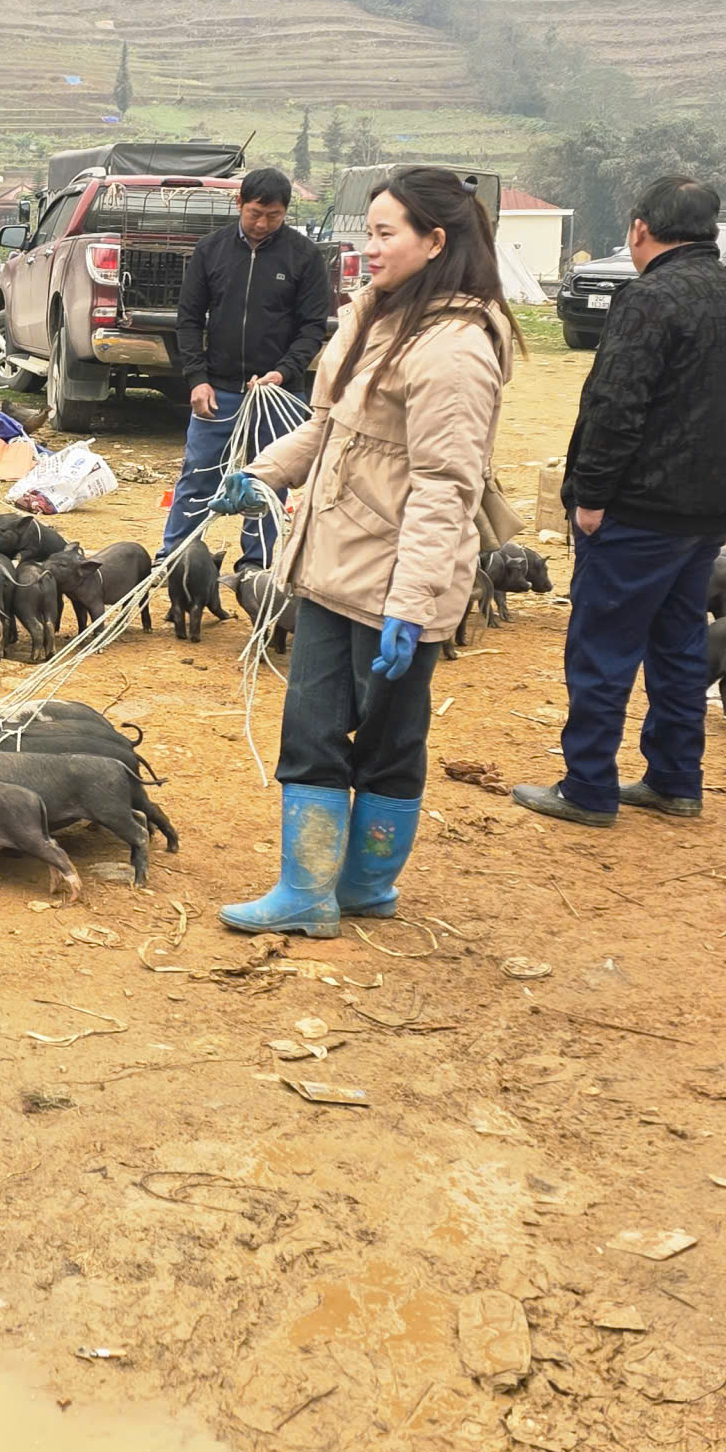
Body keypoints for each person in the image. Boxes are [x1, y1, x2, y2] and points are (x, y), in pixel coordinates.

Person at [208, 167, 520, 936]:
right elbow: (330, 426)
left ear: (435, 241)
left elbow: (446, 486)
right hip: (330, 563)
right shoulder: (376, 317)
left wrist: (412, 608)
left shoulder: (456, 349)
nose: (368, 248)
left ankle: (364, 886)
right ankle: (308, 890)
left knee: (386, 740)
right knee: (312, 728)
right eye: (368, 230)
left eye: (386, 234)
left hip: (394, 582)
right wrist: (260, 474)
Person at [512, 178, 726, 829]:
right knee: (680, 643)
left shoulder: (648, 299)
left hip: (640, 509)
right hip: (709, 510)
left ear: (639, 229)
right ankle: (675, 780)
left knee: (602, 647)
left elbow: (616, 404)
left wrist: (593, 494)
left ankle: (588, 789)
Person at [164, 167, 333, 567]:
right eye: (255, 213)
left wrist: (284, 372)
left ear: (286, 212)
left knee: (267, 484)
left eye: (273, 216)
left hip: (277, 396)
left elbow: (312, 328)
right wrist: (198, 380)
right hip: (218, 391)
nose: (262, 224)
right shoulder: (211, 250)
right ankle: (175, 559)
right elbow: (188, 319)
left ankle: (253, 567)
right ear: (239, 203)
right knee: (198, 477)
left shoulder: (304, 256)